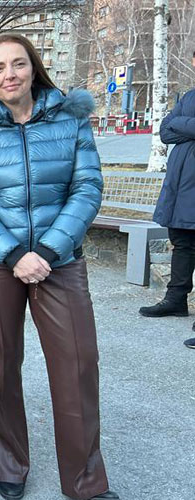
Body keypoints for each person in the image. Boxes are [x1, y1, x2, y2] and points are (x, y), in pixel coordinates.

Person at [0, 34, 118, 500]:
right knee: (3, 364)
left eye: (18, 64)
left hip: (60, 261)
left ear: (35, 68)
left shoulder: (71, 118)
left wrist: (47, 252)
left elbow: (88, 187)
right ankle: (9, 462)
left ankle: (85, 481)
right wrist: (13, 254)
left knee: (77, 366)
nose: (10, 74)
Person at [140, 50, 195, 349]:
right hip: (181, 185)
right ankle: (176, 300)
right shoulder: (189, 95)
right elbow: (164, 131)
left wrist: (182, 124)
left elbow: (175, 126)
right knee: (182, 241)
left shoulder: (186, 103)